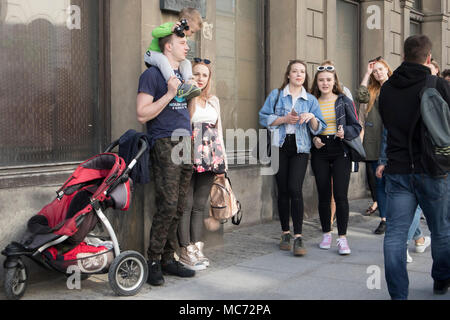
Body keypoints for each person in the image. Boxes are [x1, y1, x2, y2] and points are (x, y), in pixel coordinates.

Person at [378, 35, 450, 299]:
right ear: (428, 58)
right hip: (433, 170)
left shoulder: (387, 89)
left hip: (397, 172)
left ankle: (399, 295)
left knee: (395, 236)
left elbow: (387, 123)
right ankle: (442, 279)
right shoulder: (439, 85)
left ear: (403, 56)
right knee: (441, 231)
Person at [137, 31, 196, 286]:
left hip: (186, 141)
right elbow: (141, 114)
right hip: (164, 142)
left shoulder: (184, 73)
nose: (187, 46)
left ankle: (168, 258)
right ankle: (152, 260)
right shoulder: (152, 75)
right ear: (168, 46)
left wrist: (189, 94)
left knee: (180, 206)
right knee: (168, 204)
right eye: (182, 43)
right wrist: (170, 94)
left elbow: (188, 111)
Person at [259, 60, 326, 257]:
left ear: (305, 76)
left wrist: (311, 117)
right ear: (288, 75)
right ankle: (285, 233)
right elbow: (263, 117)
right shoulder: (277, 95)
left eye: (302, 72)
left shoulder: (311, 100)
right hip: (280, 145)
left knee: (295, 188)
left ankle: (298, 235)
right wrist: (284, 119)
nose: (298, 74)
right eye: (295, 71)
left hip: (301, 147)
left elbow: (319, 126)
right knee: (283, 190)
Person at [177, 58, 228, 270]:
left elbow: (219, 132)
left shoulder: (214, 101)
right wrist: (191, 97)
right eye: (196, 74)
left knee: (199, 205)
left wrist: (223, 164)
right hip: (188, 155)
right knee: (186, 204)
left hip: (210, 156)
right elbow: (183, 125)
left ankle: (197, 247)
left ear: (209, 79)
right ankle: (184, 249)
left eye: (204, 75)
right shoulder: (185, 97)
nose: (200, 78)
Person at [310, 62, 362, 255]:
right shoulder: (311, 101)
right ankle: (326, 233)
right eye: (321, 80)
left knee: (340, 195)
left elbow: (356, 126)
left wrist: (344, 132)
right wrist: (313, 139)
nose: (325, 83)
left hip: (340, 150)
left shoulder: (343, 101)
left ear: (334, 81)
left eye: (328, 80)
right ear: (317, 82)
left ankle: (342, 238)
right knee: (323, 194)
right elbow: (305, 128)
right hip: (320, 150)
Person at [356, 57, 392, 235]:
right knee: (379, 182)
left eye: (380, 69)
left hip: (392, 142)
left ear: (387, 68)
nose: (378, 73)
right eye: (375, 70)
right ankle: (384, 219)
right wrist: (367, 73)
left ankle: (395, 218)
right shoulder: (372, 89)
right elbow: (360, 95)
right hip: (373, 142)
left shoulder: (395, 86)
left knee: (391, 182)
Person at [144, 8, 203, 100]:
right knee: (162, 59)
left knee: (186, 62)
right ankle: (176, 85)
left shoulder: (184, 36)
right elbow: (154, 33)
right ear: (186, 25)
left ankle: (188, 84)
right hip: (152, 55)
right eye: (192, 31)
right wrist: (170, 30)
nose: (191, 34)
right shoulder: (170, 26)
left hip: (166, 58)